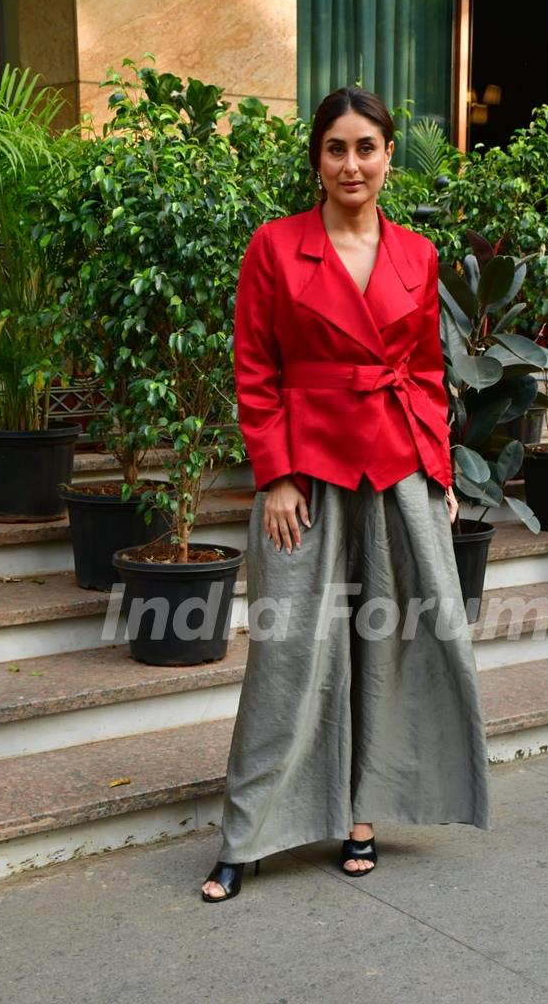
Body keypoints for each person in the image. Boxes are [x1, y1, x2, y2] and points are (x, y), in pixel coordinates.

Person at [201, 86, 491, 902]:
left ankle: (364, 817)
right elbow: (256, 372)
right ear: (317, 159)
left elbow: (430, 374)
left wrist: (439, 475)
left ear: (388, 155)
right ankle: (247, 833)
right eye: (337, 148)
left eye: (367, 147)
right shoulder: (275, 246)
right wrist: (278, 475)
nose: (352, 163)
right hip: (309, 473)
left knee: (390, 645)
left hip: (399, 470)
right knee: (289, 652)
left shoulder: (418, 253)